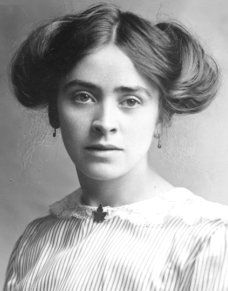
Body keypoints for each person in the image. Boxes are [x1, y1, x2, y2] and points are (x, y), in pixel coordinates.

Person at [4, 3, 228, 290]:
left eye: (130, 101)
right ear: (54, 111)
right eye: (83, 96)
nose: (105, 123)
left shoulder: (208, 240)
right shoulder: (35, 242)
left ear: (161, 118)